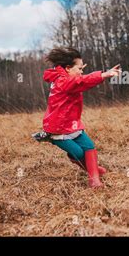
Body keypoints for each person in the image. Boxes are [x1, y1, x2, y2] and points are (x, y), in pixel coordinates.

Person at [42, 47, 121, 188]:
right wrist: (104, 75)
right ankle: (93, 170)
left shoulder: (66, 78)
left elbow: (80, 80)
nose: (81, 71)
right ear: (67, 68)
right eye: (79, 68)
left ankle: (94, 180)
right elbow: (82, 82)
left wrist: (78, 70)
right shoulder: (63, 82)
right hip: (58, 130)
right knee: (78, 153)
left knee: (89, 147)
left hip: (72, 125)